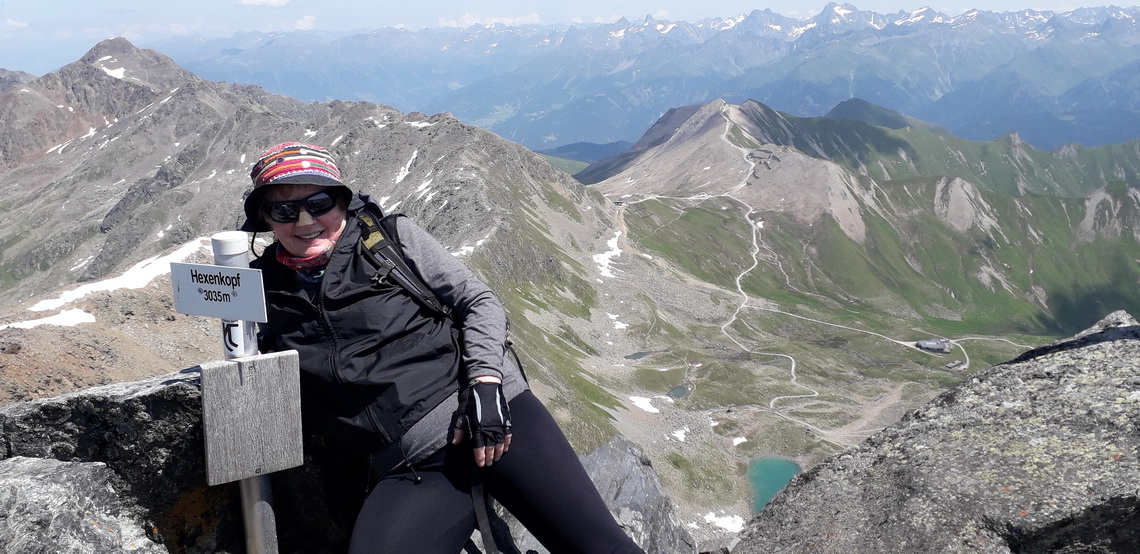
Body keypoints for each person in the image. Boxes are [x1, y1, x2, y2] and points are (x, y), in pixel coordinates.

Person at [240, 142, 645, 554]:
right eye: (284, 211)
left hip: (494, 417)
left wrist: (487, 385)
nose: (305, 220)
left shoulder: (389, 240)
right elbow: (257, 370)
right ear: (266, 219)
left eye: (319, 202)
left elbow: (479, 301)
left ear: (342, 202)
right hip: (412, 462)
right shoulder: (260, 288)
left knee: (602, 548)